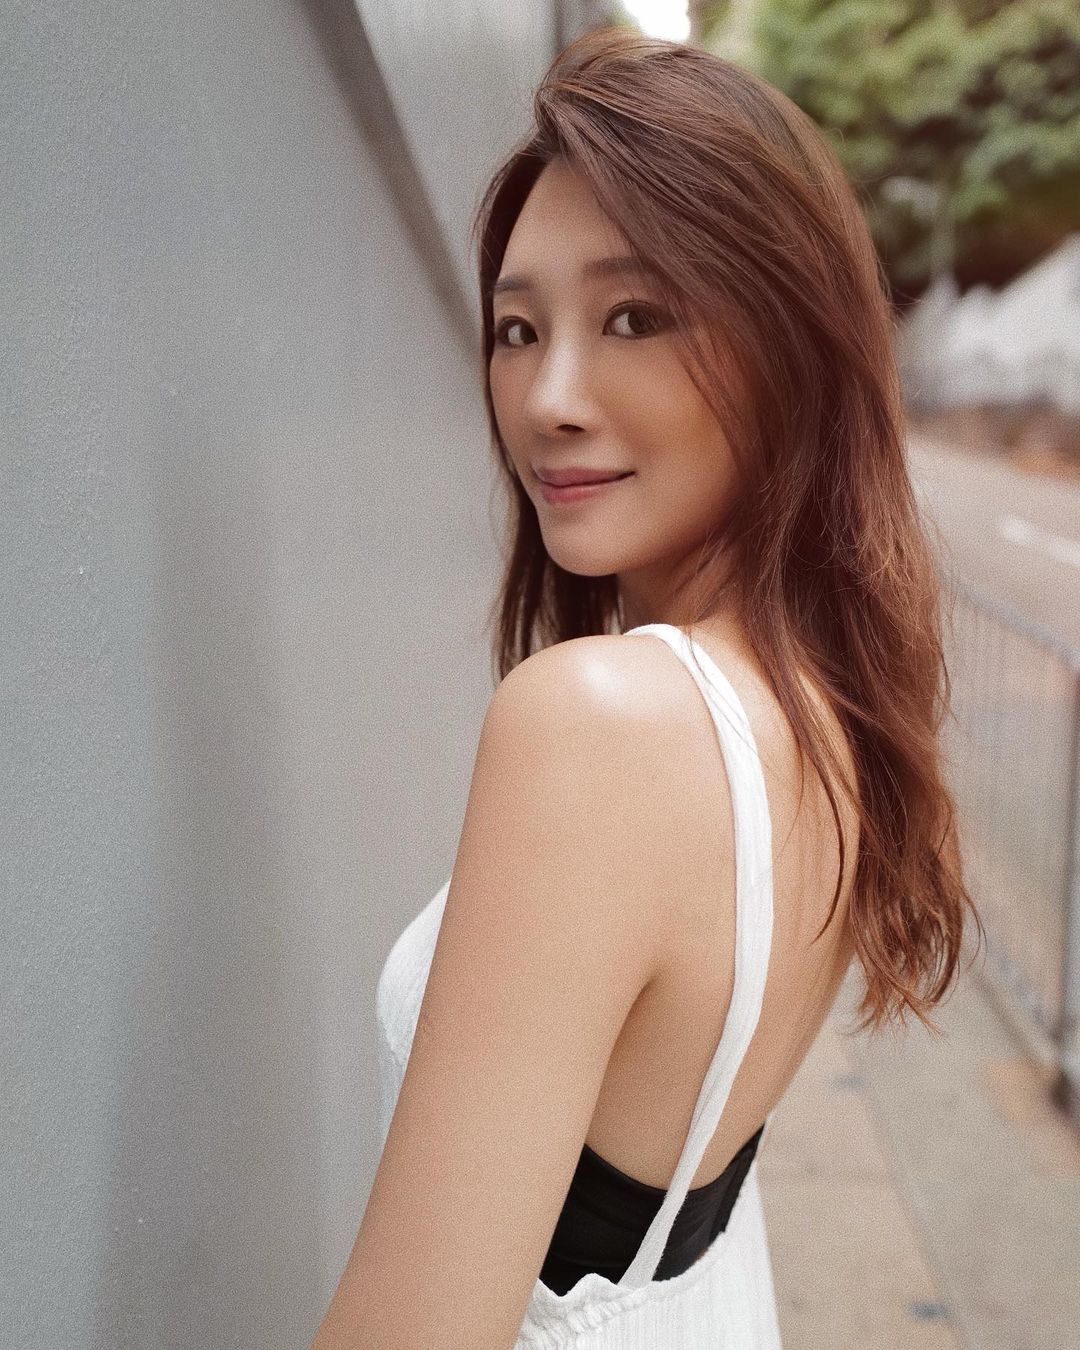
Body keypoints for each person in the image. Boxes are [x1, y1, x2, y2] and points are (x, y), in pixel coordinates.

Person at [310, 25, 981, 1350]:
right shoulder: (825, 706)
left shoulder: (601, 725)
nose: (547, 398)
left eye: (634, 316)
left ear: (788, 341)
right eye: (516, 329)